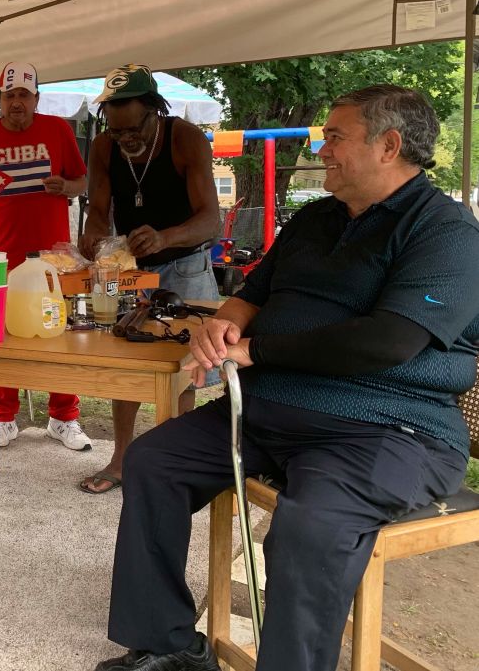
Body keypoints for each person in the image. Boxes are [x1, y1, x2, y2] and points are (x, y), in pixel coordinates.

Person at [95, 84, 479, 671]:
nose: (321, 149)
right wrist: (223, 326)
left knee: (307, 527)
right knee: (153, 462)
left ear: (389, 146)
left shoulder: (445, 231)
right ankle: (170, 644)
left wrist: (255, 351)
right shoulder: (316, 217)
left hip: (386, 429)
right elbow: (254, 292)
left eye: (335, 137)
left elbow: (389, 341)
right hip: (268, 412)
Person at [77, 64, 221, 493]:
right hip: (131, 271)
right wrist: (93, 235)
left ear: (155, 109)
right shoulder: (104, 146)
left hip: (185, 265)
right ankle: (121, 459)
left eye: (133, 128)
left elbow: (211, 221)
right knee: (125, 365)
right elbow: (100, 209)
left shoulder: (185, 139)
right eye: (117, 131)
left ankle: (171, 466)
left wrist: (164, 237)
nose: (126, 139)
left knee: (180, 368)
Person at [0, 61, 91, 451]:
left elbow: (82, 182)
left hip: (53, 257)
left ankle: (63, 417)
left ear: (37, 99)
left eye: (24, 95)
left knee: (57, 332)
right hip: (0, 256)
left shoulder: (58, 130)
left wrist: (66, 185)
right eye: (9, 95)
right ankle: (2, 417)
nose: (17, 102)